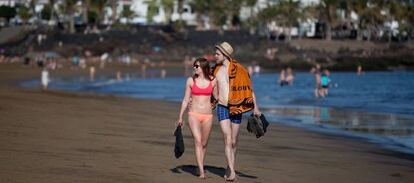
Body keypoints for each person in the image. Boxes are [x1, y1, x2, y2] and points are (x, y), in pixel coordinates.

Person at [213, 42, 261, 181]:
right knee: (227, 139)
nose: (215, 56)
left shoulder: (240, 70)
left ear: (225, 55)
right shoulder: (215, 70)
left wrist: (255, 107)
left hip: (236, 107)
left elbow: (248, 90)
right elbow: (207, 86)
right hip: (222, 107)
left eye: (217, 54)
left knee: (234, 141)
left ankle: (229, 166)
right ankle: (232, 171)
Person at [176, 58, 218, 179]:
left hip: (208, 116)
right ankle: (202, 171)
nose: (194, 68)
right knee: (198, 141)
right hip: (193, 114)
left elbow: (217, 97)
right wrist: (180, 116)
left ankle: (199, 165)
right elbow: (185, 99)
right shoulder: (190, 80)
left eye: (197, 66)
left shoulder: (213, 81)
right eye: (194, 66)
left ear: (203, 67)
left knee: (204, 144)